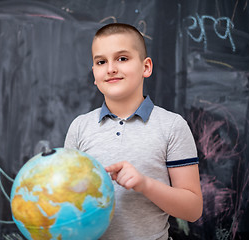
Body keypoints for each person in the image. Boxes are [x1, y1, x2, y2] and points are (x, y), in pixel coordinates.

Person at [64, 23, 202, 240]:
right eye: (101, 62)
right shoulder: (79, 127)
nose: (110, 68)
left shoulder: (172, 126)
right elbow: (67, 202)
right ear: (94, 73)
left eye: (122, 58)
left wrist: (145, 184)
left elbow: (193, 210)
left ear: (146, 67)